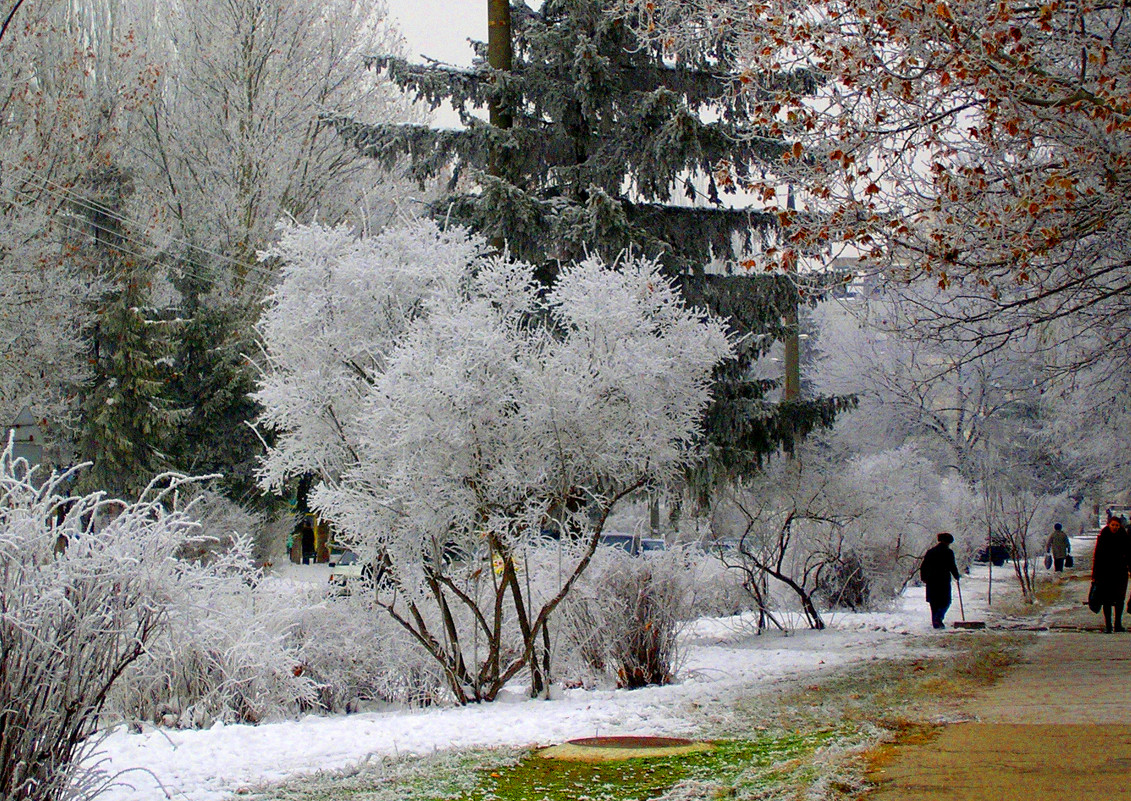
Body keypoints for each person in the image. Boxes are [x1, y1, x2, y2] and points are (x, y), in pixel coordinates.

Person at [1091, 516, 1131, 632]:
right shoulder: (1103, 537)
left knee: (1119, 599)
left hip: (1120, 573)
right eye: (1113, 525)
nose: (1115, 527)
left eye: (1117, 525)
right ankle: (1108, 625)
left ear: (1120, 526)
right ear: (1109, 525)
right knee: (1106, 600)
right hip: (1105, 573)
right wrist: (1095, 575)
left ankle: (1118, 624)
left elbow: (1129, 554)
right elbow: (1097, 557)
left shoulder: (1124, 538)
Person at [920, 532, 961, 629]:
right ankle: (938, 618)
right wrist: (956, 576)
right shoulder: (948, 552)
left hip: (932, 581)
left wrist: (924, 578)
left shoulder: (930, 552)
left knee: (934, 602)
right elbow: (952, 566)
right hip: (943, 580)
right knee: (946, 601)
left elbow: (923, 566)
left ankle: (935, 621)